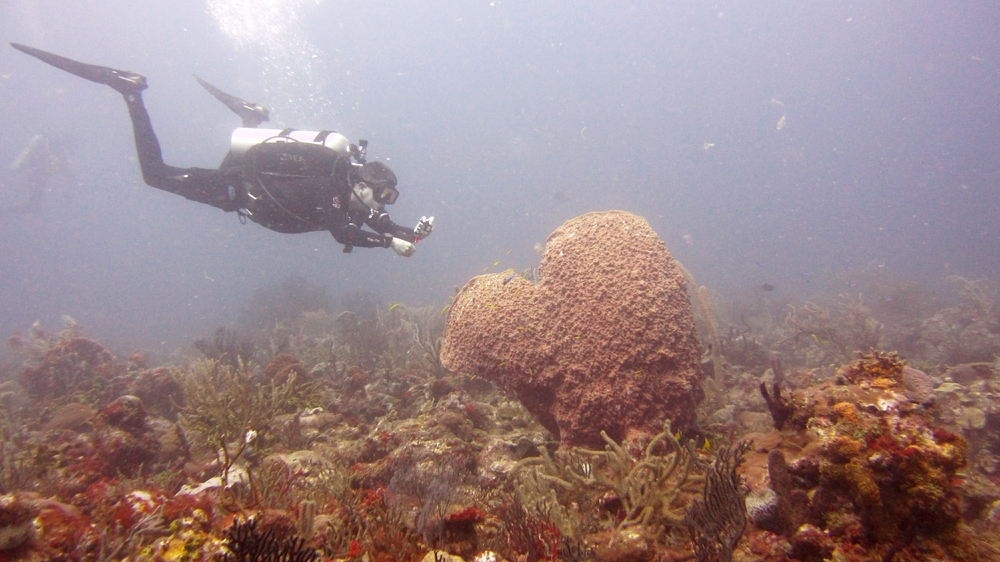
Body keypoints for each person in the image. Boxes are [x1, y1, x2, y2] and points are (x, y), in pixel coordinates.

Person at [10, 43, 433, 256]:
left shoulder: (351, 195)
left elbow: (375, 222)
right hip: (238, 188)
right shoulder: (333, 195)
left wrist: (409, 233)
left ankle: (251, 117)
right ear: (360, 183)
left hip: (249, 181)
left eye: (387, 198)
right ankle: (129, 91)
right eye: (380, 194)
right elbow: (343, 232)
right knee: (155, 175)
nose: (381, 203)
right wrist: (386, 246)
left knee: (208, 167)